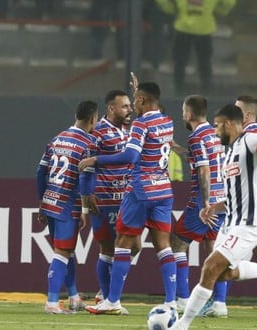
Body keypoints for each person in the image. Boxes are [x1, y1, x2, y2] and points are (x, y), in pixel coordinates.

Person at [171, 104, 257, 329]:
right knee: (223, 274)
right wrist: (213, 208)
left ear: (228, 124)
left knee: (209, 267)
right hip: (231, 222)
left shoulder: (251, 140)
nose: (215, 132)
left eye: (217, 126)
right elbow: (235, 195)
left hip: (249, 224)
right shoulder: (229, 153)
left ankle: (181, 325)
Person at [79, 79, 177, 315]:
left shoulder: (139, 125)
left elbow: (131, 156)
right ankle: (172, 301)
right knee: (162, 246)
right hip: (162, 189)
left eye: (134, 101)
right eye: (127, 104)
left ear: (142, 100)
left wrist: (95, 160)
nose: (132, 106)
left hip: (140, 190)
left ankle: (112, 301)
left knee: (123, 244)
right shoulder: (167, 121)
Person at [36, 100, 99, 314]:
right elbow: (85, 180)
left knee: (66, 251)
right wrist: (83, 210)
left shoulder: (57, 139)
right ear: (93, 119)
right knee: (62, 252)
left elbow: (40, 173)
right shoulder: (88, 143)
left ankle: (73, 297)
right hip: (67, 204)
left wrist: (41, 201)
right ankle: (52, 302)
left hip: (51, 200)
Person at [171, 95, 227, 314]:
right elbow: (197, 159)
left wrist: (205, 204)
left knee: (177, 242)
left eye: (183, 112)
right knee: (215, 251)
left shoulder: (196, 137)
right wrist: (175, 147)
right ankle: (220, 303)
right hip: (223, 200)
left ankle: (183, 298)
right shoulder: (215, 134)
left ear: (188, 114)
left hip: (203, 203)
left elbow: (203, 169)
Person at [88, 90, 134, 309]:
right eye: (124, 106)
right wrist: (88, 195)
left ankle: (107, 295)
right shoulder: (98, 131)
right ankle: (107, 297)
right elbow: (85, 164)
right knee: (107, 249)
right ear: (111, 108)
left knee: (134, 246)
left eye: (130, 105)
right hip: (104, 198)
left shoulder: (128, 129)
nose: (129, 109)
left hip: (126, 198)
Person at [156, 0, 236, 95]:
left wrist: (173, 9)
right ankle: (206, 90)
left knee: (180, 62)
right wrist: (217, 10)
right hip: (204, 28)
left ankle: (179, 90)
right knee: (204, 63)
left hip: (183, 27)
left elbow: (167, 7)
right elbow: (227, 4)